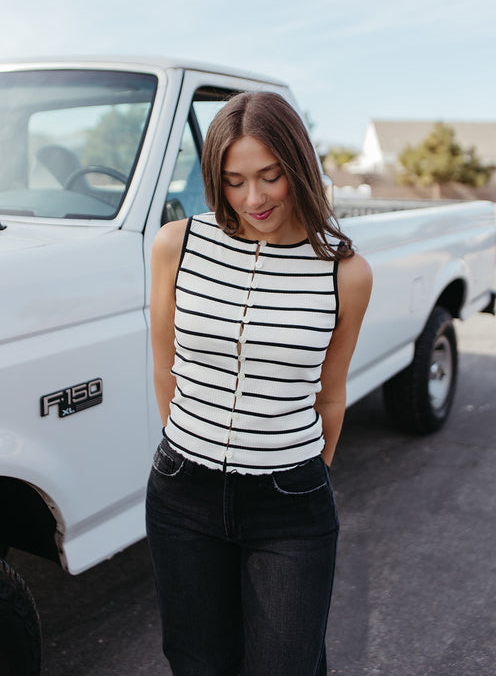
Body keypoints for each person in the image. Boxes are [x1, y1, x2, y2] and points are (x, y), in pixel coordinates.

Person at [146, 91, 372, 676]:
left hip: (289, 502)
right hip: (182, 493)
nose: (254, 199)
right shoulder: (177, 245)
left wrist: (303, 473)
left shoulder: (344, 273)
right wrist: (190, 446)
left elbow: (331, 394)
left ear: (298, 165)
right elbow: (166, 367)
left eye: (270, 176)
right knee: (197, 663)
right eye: (234, 181)